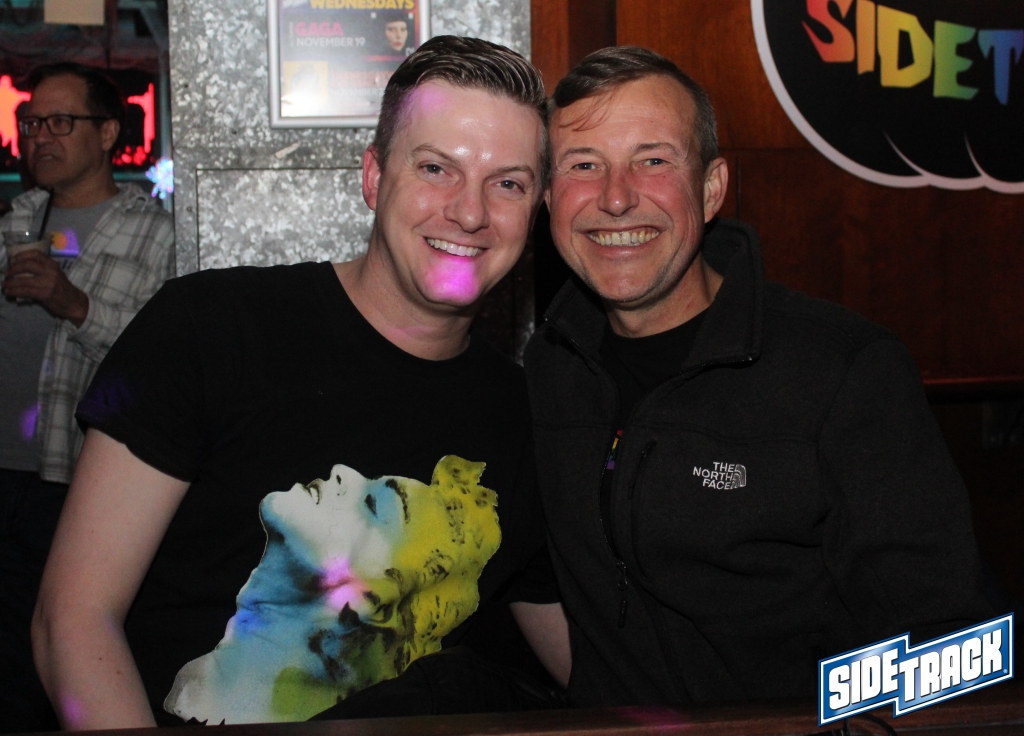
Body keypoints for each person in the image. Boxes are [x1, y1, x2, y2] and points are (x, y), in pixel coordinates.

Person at [33, 36, 559, 729]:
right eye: (436, 168)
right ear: (373, 177)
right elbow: (72, 618)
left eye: (509, 183)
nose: (469, 211)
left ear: (537, 207)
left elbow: (596, 659)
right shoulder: (208, 328)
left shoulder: (523, 415)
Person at [524, 46, 995, 707]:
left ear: (711, 188)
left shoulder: (843, 371)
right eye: (583, 165)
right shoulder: (548, 368)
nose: (617, 197)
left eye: (653, 160)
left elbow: (957, 648)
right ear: (548, 197)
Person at [0, 63, 174, 733]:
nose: (39, 136)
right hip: (5, 471)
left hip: (74, 481)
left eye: (59, 122)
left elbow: (159, 368)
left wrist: (72, 303)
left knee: (60, 654)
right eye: (30, 122)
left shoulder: (155, 231)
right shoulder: (17, 218)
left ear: (106, 133)